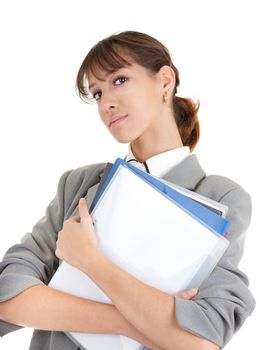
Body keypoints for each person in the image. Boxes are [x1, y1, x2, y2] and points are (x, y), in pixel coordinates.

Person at [0, 31, 255, 350]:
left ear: (165, 81)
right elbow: (8, 296)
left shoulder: (220, 197)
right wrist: (134, 321)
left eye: (119, 80)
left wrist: (88, 259)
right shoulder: (77, 185)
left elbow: (200, 342)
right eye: (96, 93)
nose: (106, 102)